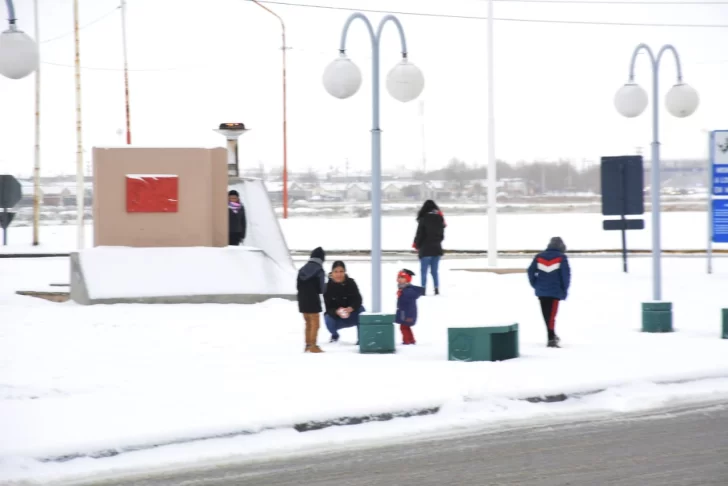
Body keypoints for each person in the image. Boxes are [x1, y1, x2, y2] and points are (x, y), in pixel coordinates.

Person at [527, 237, 571, 348]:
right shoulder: (562, 258)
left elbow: (530, 271)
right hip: (555, 291)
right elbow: (565, 276)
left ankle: (552, 335)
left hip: (541, 291)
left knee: (546, 315)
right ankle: (551, 339)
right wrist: (564, 290)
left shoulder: (539, 257)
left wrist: (535, 284)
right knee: (551, 315)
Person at [324, 261, 365, 344]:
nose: (339, 274)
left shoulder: (351, 283)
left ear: (344, 272)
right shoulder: (327, 287)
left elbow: (358, 299)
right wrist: (336, 312)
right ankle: (334, 335)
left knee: (362, 310)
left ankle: (361, 339)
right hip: (338, 317)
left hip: (351, 314)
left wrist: (351, 308)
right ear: (332, 273)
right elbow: (328, 308)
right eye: (336, 272)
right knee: (327, 318)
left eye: (341, 271)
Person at [412, 200, 446, 295]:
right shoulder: (440, 218)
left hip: (425, 249)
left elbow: (419, 234)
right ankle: (436, 289)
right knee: (434, 271)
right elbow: (442, 235)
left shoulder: (423, 218)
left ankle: (423, 289)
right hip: (437, 249)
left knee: (424, 271)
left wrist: (416, 244)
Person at [297, 247, 327, 353]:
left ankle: (308, 345)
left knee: (308, 323)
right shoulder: (319, 270)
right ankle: (313, 346)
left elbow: (298, 286)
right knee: (315, 324)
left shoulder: (302, 269)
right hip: (313, 300)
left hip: (302, 301)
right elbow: (322, 289)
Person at [395, 269, 425, 345]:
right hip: (404, 312)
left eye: (402, 277)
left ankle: (406, 341)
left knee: (403, 327)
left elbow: (409, 304)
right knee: (406, 327)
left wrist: (408, 315)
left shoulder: (407, 290)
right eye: (399, 277)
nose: (399, 279)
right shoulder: (403, 289)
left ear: (407, 279)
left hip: (408, 313)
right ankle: (411, 340)